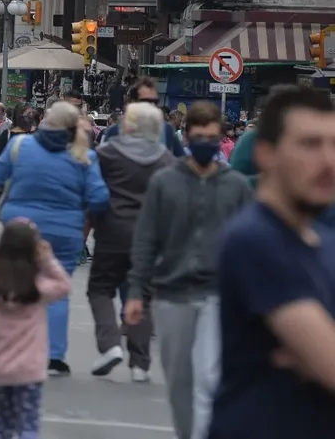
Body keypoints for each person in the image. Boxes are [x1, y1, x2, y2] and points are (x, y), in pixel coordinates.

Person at [210, 87, 335, 437]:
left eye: (334, 145)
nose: (328, 161)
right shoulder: (257, 239)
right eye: (310, 145)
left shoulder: (323, 242)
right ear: (266, 154)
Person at [126, 100, 253, 439]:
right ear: (186, 136)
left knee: (209, 378)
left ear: (221, 138)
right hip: (172, 292)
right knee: (179, 380)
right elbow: (147, 238)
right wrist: (136, 290)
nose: (205, 144)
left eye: (212, 138)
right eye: (199, 137)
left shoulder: (236, 186)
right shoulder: (165, 182)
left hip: (219, 295)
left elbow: (251, 243)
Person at [0, 100, 109, 377]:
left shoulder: (21, 146)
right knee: (57, 290)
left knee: (18, 285)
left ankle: (16, 348)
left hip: (21, 229)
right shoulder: (84, 156)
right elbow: (100, 197)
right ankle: (54, 356)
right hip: (66, 231)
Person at [90, 102, 173, 382]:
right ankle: (140, 364)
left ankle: (110, 344)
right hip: (148, 236)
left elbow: (94, 190)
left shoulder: (107, 153)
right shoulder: (165, 159)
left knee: (101, 288)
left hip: (112, 230)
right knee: (142, 297)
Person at [0, 219, 71, 439]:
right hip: (28, 369)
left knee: (2, 425)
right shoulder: (37, 287)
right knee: (28, 425)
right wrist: (47, 260)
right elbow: (64, 285)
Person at [102, 77, 186, 156]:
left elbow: (182, 160)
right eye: (146, 101)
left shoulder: (166, 131)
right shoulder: (115, 131)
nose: (151, 105)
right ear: (132, 102)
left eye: (155, 101)